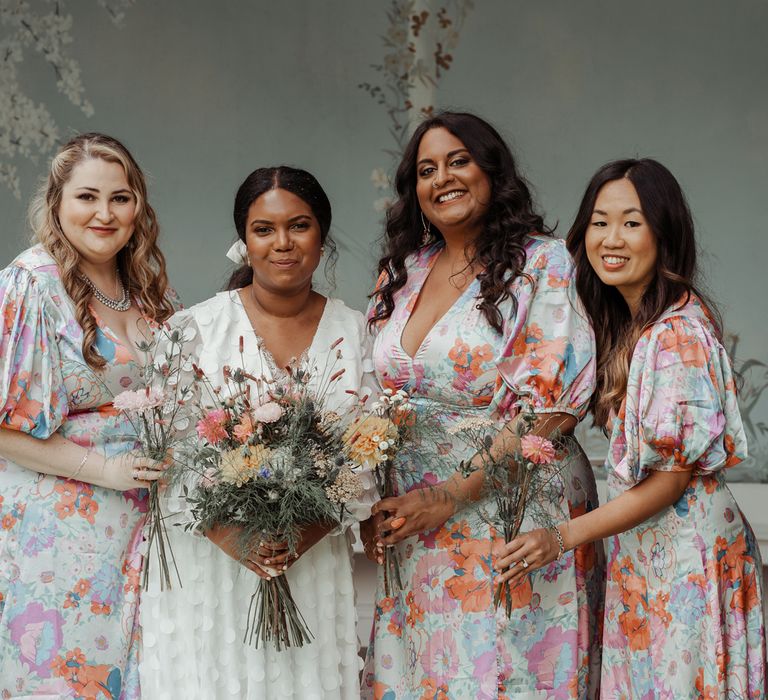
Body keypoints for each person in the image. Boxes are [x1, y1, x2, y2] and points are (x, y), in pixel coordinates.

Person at [498, 158, 767, 696]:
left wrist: (560, 537)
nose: (611, 238)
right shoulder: (634, 328)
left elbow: (669, 482)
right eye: (599, 222)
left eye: (632, 221)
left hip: (685, 565)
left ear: (664, 234)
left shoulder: (675, 337)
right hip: (650, 559)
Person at [360, 111, 604, 699]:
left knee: (505, 674)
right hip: (415, 522)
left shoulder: (545, 265)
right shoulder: (400, 272)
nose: (442, 177)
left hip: (514, 514)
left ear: (493, 171)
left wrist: (447, 497)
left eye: (458, 161)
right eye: (426, 169)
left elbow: (550, 411)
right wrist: (370, 498)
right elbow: (368, 397)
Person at [139, 166, 376, 700]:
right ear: (243, 241)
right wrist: (234, 539)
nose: (282, 243)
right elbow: (166, 456)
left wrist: (301, 534)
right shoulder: (193, 330)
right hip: (212, 566)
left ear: (322, 235)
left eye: (299, 225)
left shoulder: (353, 331)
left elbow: (367, 451)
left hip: (310, 563)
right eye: (263, 229)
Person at [0, 133, 175, 698]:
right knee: (72, 678)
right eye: (87, 197)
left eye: (120, 198)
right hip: (60, 530)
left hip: (141, 526)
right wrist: (106, 471)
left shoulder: (143, 288)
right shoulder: (32, 284)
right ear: (57, 203)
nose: (104, 213)